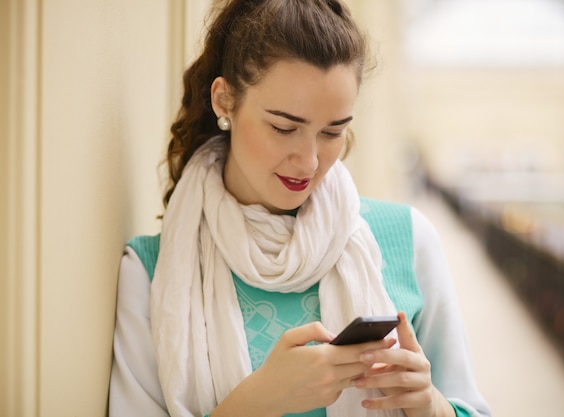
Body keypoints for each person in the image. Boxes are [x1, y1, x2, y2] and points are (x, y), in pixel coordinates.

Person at [108, 1, 491, 416]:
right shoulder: (150, 271)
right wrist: (254, 404)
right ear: (224, 101)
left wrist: (431, 406)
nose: (309, 162)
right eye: (284, 127)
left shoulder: (409, 239)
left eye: (333, 132)